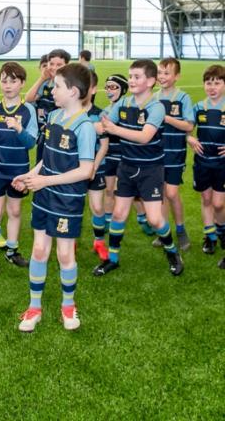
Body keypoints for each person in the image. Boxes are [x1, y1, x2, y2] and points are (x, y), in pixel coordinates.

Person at [13, 63, 95, 332]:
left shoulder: (85, 126)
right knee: (38, 250)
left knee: (64, 253)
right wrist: (29, 175)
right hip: (44, 195)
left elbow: (86, 170)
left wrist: (44, 181)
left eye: (57, 86)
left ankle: (68, 306)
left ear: (72, 91)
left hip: (67, 199)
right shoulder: (53, 118)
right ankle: (34, 307)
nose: (52, 90)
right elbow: (46, 160)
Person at [93, 59, 184, 277]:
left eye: (137, 77)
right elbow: (102, 126)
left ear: (151, 81)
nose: (131, 80)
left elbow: (145, 137)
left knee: (155, 219)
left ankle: (172, 252)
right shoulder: (123, 103)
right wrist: (79, 123)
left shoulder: (157, 107)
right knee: (118, 214)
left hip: (150, 171)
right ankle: (112, 259)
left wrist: (114, 129)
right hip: (127, 167)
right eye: (130, 76)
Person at [0, 62, 38, 275]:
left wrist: (19, 128)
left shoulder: (28, 110)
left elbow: (31, 142)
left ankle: (12, 251)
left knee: (14, 210)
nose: (8, 85)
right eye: (4, 80)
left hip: (18, 171)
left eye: (13, 81)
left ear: (22, 83)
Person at [151, 57, 194, 251]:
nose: (162, 76)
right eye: (160, 72)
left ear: (176, 76)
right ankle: (164, 231)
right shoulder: (153, 97)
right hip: (156, 154)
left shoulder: (183, 97)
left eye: (167, 73)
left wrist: (166, 117)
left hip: (175, 153)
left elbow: (189, 125)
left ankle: (181, 230)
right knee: (161, 194)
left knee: (172, 192)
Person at [187, 64, 225, 268]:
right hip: (202, 161)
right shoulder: (198, 107)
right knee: (206, 198)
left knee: (219, 203)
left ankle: (221, 232)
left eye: (217, 83)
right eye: (209, 83)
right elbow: (187, 127)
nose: (212, 87)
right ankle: (210, 236)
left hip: (222, 164)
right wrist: (189, 138)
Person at [25, 48, 71, 162]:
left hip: (60, 133)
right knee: (41, 164)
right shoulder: (46, 82)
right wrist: (42, 78)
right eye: (51, 64)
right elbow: (28, 99)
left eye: (59, 64)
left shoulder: (69, 84)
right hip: (44, 132)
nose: (54, 67)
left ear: (67, 65)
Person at [84, 71, 110, 261]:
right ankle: (71, 240)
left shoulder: (100, 114)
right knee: (73, 207)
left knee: (97, 206)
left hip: (96, 168)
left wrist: (93, 166)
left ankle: (99, 242)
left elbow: (104, 146)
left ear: (93, 89)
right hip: (72, 169)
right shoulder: (67, 113)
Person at [102, 74, 128, 234]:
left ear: (123, 89)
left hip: (125, 156)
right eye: (107, 87)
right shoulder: (105, 111)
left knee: (123, 191)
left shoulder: (128, 109)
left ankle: (141, 218)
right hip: (109, 155)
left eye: (114, 87)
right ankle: (107, 220)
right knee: (109, 190)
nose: (110, 90)